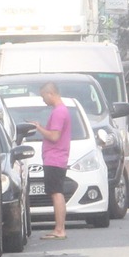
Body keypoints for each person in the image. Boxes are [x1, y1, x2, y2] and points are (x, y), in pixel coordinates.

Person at [35, 81, 74, 240]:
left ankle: (59, 229)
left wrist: (39, 128)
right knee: (56, 192)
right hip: (57, 157)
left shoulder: (59, 112)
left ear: (50, 93)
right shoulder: (62, 110)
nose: (43, 100)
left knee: (56, 193)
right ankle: (60, 228)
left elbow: (54, 136)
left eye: (43, 96)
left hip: (55, 158)